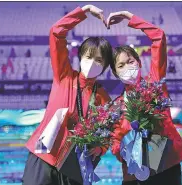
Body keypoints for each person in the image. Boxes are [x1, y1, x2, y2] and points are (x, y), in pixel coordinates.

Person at [22, 5, 113, 185]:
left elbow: (107, 134)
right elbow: (56, 32)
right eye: (88, 57)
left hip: (74, 166)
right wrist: (84, 11)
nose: (92, 63)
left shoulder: (104, 98)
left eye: (99, 60)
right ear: (80, 57)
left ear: (105, 66)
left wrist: (101, 148)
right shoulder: (64, 76)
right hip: (44, 156)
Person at [107, 10, 182, 185]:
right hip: (134, 174)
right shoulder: (117, 106)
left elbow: (158, 36)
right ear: (115, 73)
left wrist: (130, 17)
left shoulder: (154, 84)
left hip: (165, 166)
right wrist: (123, 150)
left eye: (130, 61)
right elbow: (115, 140)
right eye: (121, 65)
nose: (127, 67)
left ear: (139, 62)